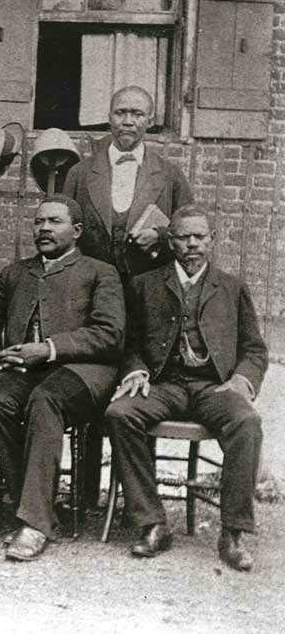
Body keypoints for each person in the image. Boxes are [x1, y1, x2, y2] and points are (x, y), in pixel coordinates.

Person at [105, 205, 268, 572]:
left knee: (247, 423)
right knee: (120, 414)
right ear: (170, 241)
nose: (192, 244)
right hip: (164, 385)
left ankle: (233, 532)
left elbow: (254, 348)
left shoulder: (231, 287)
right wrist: (135, 372)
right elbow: (127, 344)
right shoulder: (144, 284)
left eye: (200, 236)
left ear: (211, 240)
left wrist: (241, 381)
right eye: (183, 237)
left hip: (215, 386)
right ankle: (152, 522)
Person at [0, 195, 125, 561]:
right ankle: (40, 509)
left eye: (54, 221)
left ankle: (35, 525)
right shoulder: (15, 273)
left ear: (77, 230)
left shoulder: (100, 272)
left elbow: (110, 334)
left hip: (84, 373)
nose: (44, 229)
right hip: (24, 371)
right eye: (39, 222)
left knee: (46, 399)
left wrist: (51, 348)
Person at [63, 85, 192, 285]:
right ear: (109, 117)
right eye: (120, 113)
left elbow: (190, 228)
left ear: (150, 121)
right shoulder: (80, 173)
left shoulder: (170, 175)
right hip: (91, 283)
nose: (128, 121)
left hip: (149, 283)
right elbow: (65, 230)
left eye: (137, 114)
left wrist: (160, 235)